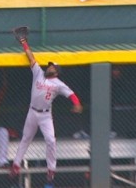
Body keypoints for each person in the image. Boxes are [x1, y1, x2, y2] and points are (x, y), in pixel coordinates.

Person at [10, 36, 84, 186]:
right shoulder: (38, 73)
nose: (49, 67)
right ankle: (16, 165)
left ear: (56, 72)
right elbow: (31, 58)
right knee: (26, 139)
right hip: (32, 112)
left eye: (52, 67)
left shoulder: (58, 83)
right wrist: (24, 43)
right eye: (49, 66)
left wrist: (77, 103)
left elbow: (71, 94)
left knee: (51, 140)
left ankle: (51, 169)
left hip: (45, 115)